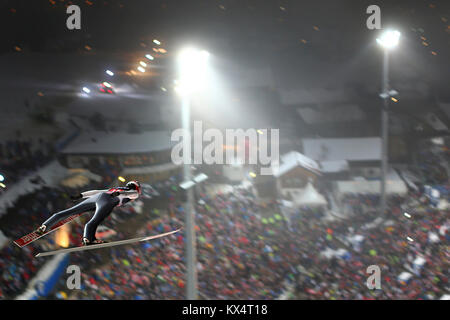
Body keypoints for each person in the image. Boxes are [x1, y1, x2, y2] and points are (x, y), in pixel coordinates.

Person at [35, 181, 141, 245]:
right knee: (94, 221)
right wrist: (119, 193)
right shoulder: (134, 193)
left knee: (68, 212)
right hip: (108, 200)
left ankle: (43, 227)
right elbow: (130, 192)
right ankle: (88, 239)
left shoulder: (115, 188)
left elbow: (96, 191)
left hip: (97, 197)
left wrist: (81, 195)